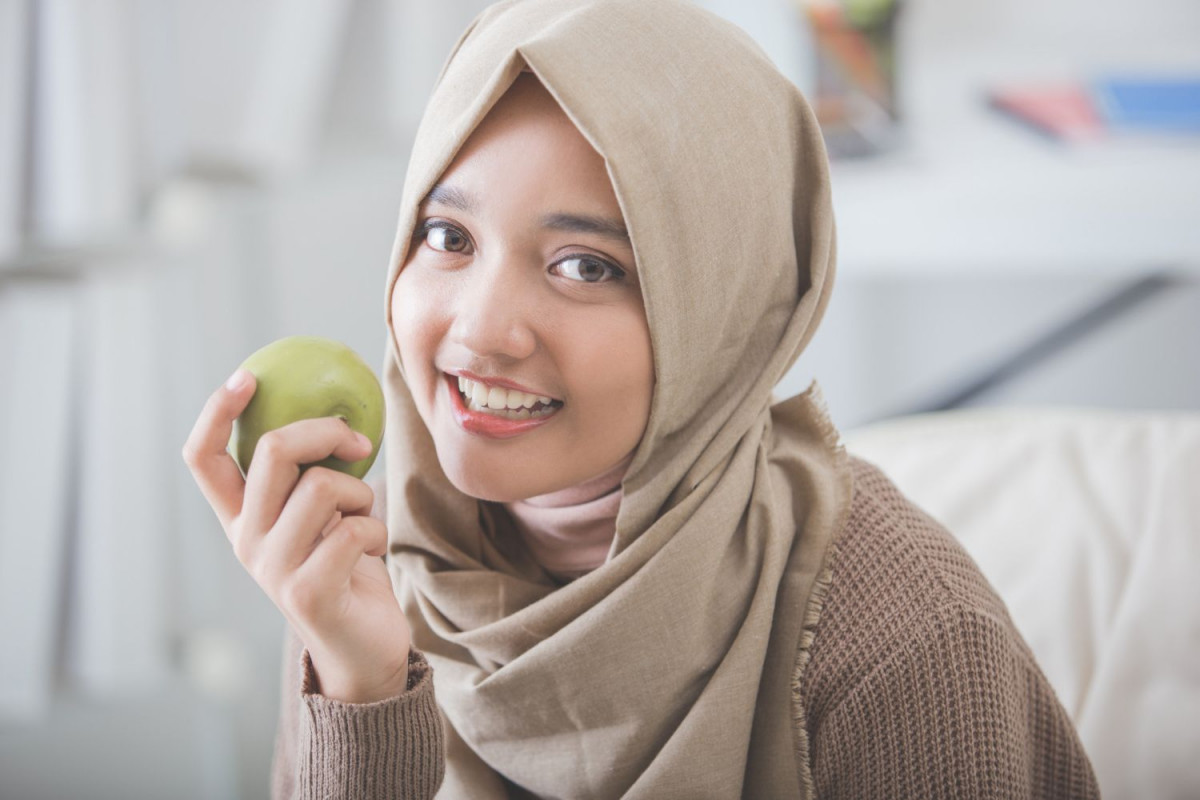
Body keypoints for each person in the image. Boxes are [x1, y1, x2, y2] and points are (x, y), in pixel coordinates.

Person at [182, 0, 1102, 797]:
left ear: (724, 314)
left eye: (585, 265)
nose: (481, 329)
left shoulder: (906, 644)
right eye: (446, 234)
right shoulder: (363, 575)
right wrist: (358, 681)